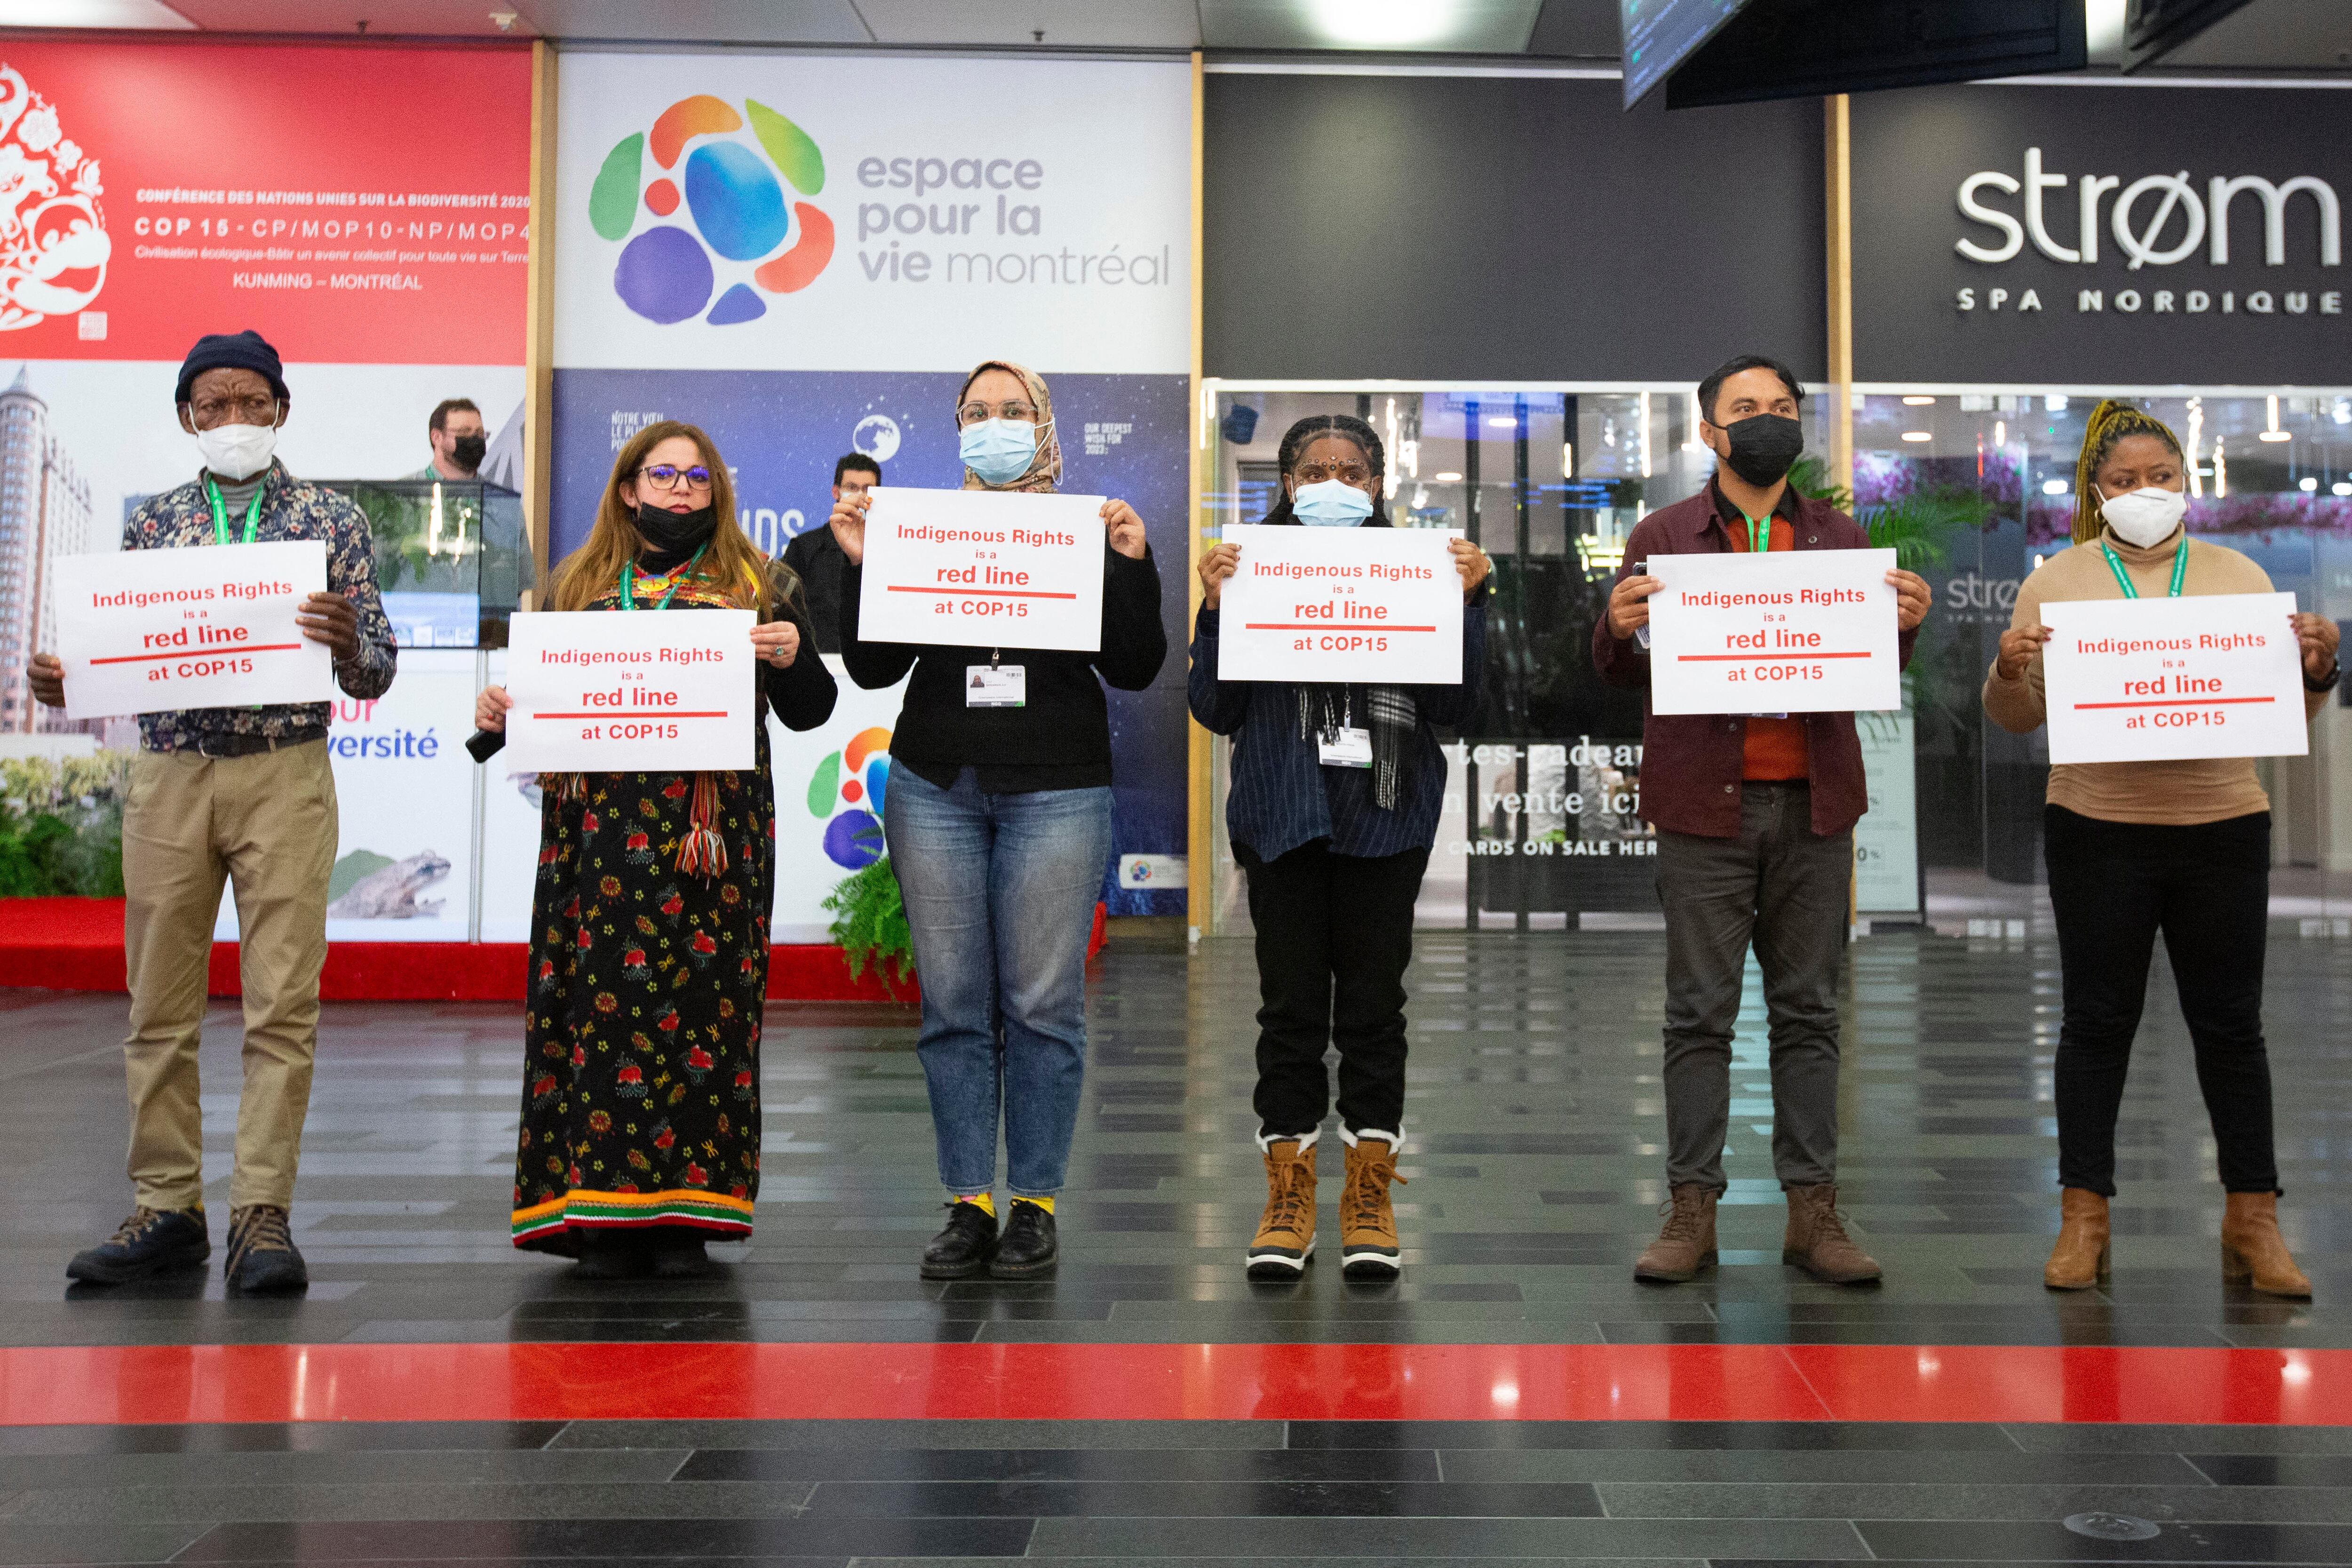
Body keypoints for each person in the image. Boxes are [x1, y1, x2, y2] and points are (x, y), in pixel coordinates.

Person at [31, 330, 397, 1293]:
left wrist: (351, 637)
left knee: (283, 1002)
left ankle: (262, 1215)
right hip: (170, 773)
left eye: (250, 400)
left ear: (281, 408)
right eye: (213, 402)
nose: (232, 418)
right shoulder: (154, 526)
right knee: (157, 1004)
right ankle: (167, 1207)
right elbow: (113, 658)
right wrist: (66, 679)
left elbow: (381, 669)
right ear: (188, 415)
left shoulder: (332, 518)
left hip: (284, 769)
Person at [1984, 400, 2338, 1298]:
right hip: (2098, 824)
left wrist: (2317, 671)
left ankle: (2253, 1216)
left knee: (2230, 1026)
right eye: (2125, 481)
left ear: (2190, 482)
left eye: (2162, 477)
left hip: (2222, 821)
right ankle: (2084, 1215)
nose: (2147, 492)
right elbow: (2019, 717)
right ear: (2097, 494)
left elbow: (2279, 720)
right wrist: (2008, 670)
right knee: (2097, 1023)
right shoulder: (2055, 580)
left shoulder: (2240, 576)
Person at [1593, 353, 1933, 1287]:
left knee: (1810, 1012)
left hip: (1814, 805)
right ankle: (1690, 1208)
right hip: (1704, 809)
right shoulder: (1663, 534)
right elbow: (1619, 671)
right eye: (1746, 408)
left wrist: (1903, 621)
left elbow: (1869, 668)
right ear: (1709, 431)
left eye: (1782, 407)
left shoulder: (1839, 536)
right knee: (1696, 1014)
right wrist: (1616, 626)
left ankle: (1812, 1213)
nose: (1767, 420)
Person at [827, 360, 1166, 1280]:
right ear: (958, 428)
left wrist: (1132, 567)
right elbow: (870, 667)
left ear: (1045, 423)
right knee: (953, 1005)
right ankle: (968, 1200)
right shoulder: (921, 529)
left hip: (1057, 783)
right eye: (977, 412)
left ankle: (1036, 1205)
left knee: (1044, 1004)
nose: (995, 425)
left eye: (1013, 410)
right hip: (937, 781)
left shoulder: (1089, 528)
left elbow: (1136, 667)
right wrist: (867, 569)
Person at [475, 421, 836, 1279]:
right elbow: (539, 710)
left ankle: (686, 1214)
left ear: (718, 492)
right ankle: (596, 1210)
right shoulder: (578, 586)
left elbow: (812, 709)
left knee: (709, 1009)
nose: (680, 490)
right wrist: (496, 715)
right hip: (596, 842)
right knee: (594, 1010)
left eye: (697, 477)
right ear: (629, 488)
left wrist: (791, 658)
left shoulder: (762, 582)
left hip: (712, 842)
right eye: (662, 474)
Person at [1190, 414, 1491, 1282]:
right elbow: (1215, 709)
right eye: (1314, 468)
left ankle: (1370, 1194)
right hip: (1281, 811)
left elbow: (1458, 709)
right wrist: (1216, 611)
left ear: (1377, 483)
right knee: (1288, 1012)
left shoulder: (1419, 570)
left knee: (1372, 1009)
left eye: (1352, 470)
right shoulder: (1245, 570)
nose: (1333, 482)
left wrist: (1470, 602)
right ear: (1285, 483)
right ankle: (1286, 1198)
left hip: (1385, 812)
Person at [782, 453, 876, 653]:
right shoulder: (804, 548)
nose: (860, 496)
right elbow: (780, 608)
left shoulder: (892, 550)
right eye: (852, 488)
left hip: (871, 670)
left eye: (868, 489)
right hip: (819, 663)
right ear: (836, 492)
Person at [410, 398, 485, 481]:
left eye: (480, 433)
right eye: (463, 432)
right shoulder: (402, 493)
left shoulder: (496, 493)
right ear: (437, 437)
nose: (475, 440)